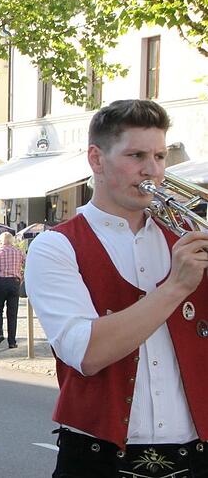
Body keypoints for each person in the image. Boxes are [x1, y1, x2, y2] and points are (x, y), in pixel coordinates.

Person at [27, 100, 208, 477]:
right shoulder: (55, 246)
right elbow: (87, 353)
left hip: (197, 455)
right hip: (97, 459)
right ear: (96, 159)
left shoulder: (188, 239)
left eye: (160, 156)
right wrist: (175, 286)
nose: (152, 170)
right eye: (136, 155)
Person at [0, 231, 26, 348]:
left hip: (0, 282)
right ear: (12, 241)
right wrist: (22, 277)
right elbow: (28, 264)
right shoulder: (19, 252)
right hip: (14, 283)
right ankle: (12, 342)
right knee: (12, 313)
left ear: (0, 241)